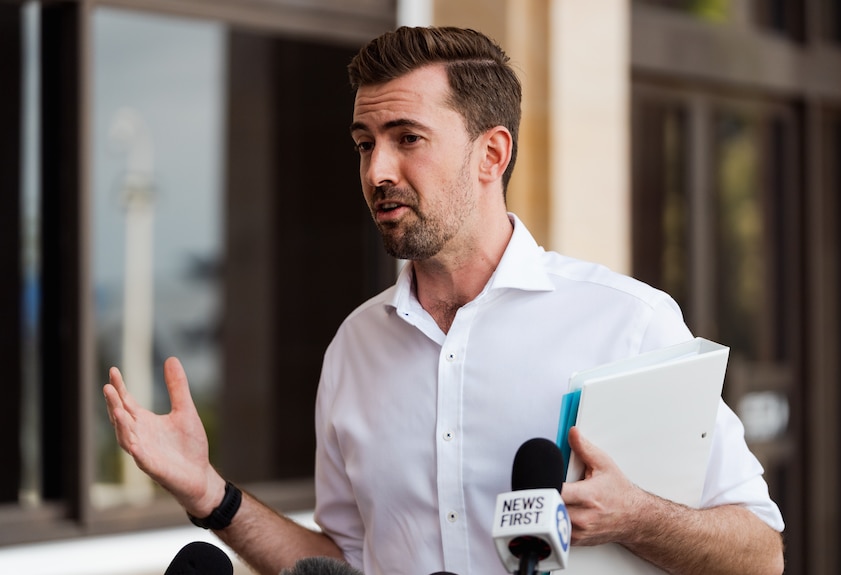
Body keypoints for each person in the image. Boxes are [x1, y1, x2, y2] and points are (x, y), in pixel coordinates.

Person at [104, 26, 785, 575]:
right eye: (365, 144)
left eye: (408, 139)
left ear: (492, 155)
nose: (377, 170)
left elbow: (760, 552)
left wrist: (638, 515)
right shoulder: (354, 348)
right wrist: (210, 494)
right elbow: (343, 564)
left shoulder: (628, 323)